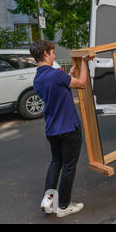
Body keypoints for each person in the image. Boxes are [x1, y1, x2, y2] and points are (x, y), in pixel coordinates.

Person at [30, 40, 93, 218]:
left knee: (56, 162)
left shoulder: (40, 78)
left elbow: (67, 80)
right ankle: (64, 206)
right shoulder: (55, 75)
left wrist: (76, 65)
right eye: (52, 52)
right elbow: (81, 83)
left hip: (52, 130)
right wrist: (85, 64)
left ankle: (48, 198)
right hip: (68, 128)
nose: (55, 55)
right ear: (45, 54)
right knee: (68, 166)